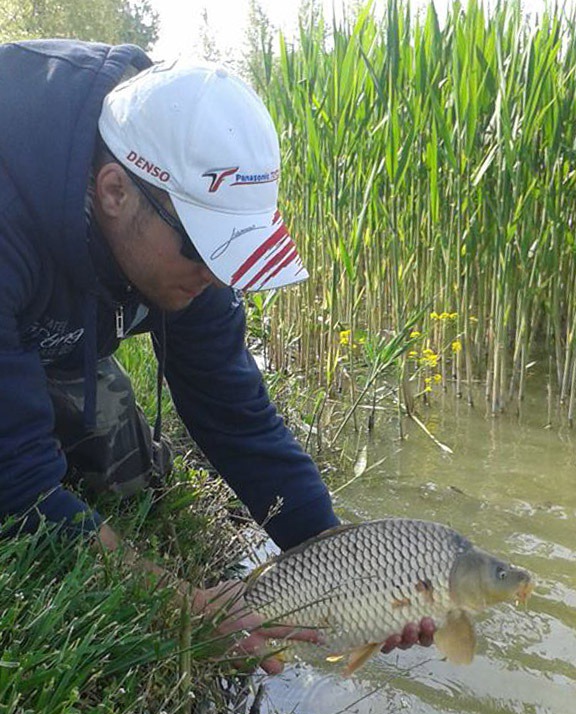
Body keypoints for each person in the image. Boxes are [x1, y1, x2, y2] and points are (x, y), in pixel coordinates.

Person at [0, 39, 434, 670]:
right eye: (207, 251)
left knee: (129, 481)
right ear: (114, 191)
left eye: (231, 253)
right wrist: (177, 600)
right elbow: (17, 483)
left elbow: (236, 415)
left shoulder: (170, 215)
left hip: (46, 328)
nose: (217, 275)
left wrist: (337, 562)